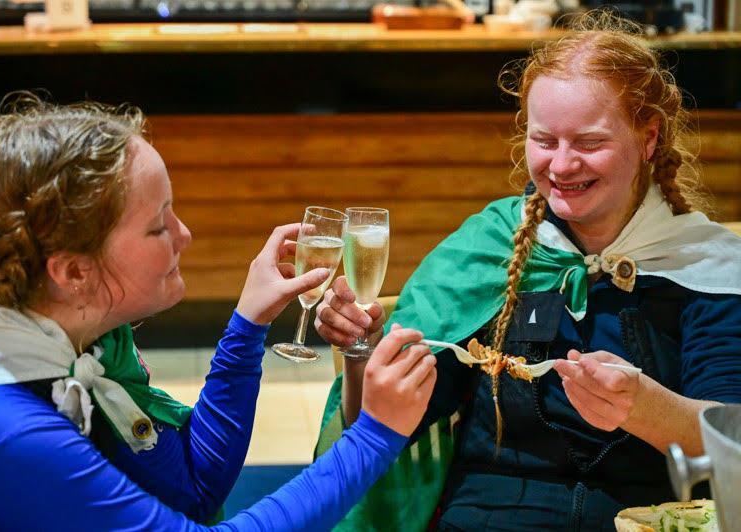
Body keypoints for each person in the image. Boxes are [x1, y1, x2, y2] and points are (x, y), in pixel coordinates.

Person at [313, 11, 741, 531]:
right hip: (489, 516)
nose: (561, 167)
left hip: (642, 519)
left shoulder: (704, 267)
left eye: (589, 142)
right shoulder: (489, 248)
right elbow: (380, 429)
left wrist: (645, 407)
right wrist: (363, 354)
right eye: (545, 141)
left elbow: (731, 447)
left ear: (648, 139)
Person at [0, 95, 438, 531]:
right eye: (160, 227)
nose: (185, 235)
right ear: (74, 272)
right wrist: (374, 435)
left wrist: (249, 323)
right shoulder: (5, 427)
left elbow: (193, 488)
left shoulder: (49, 306)